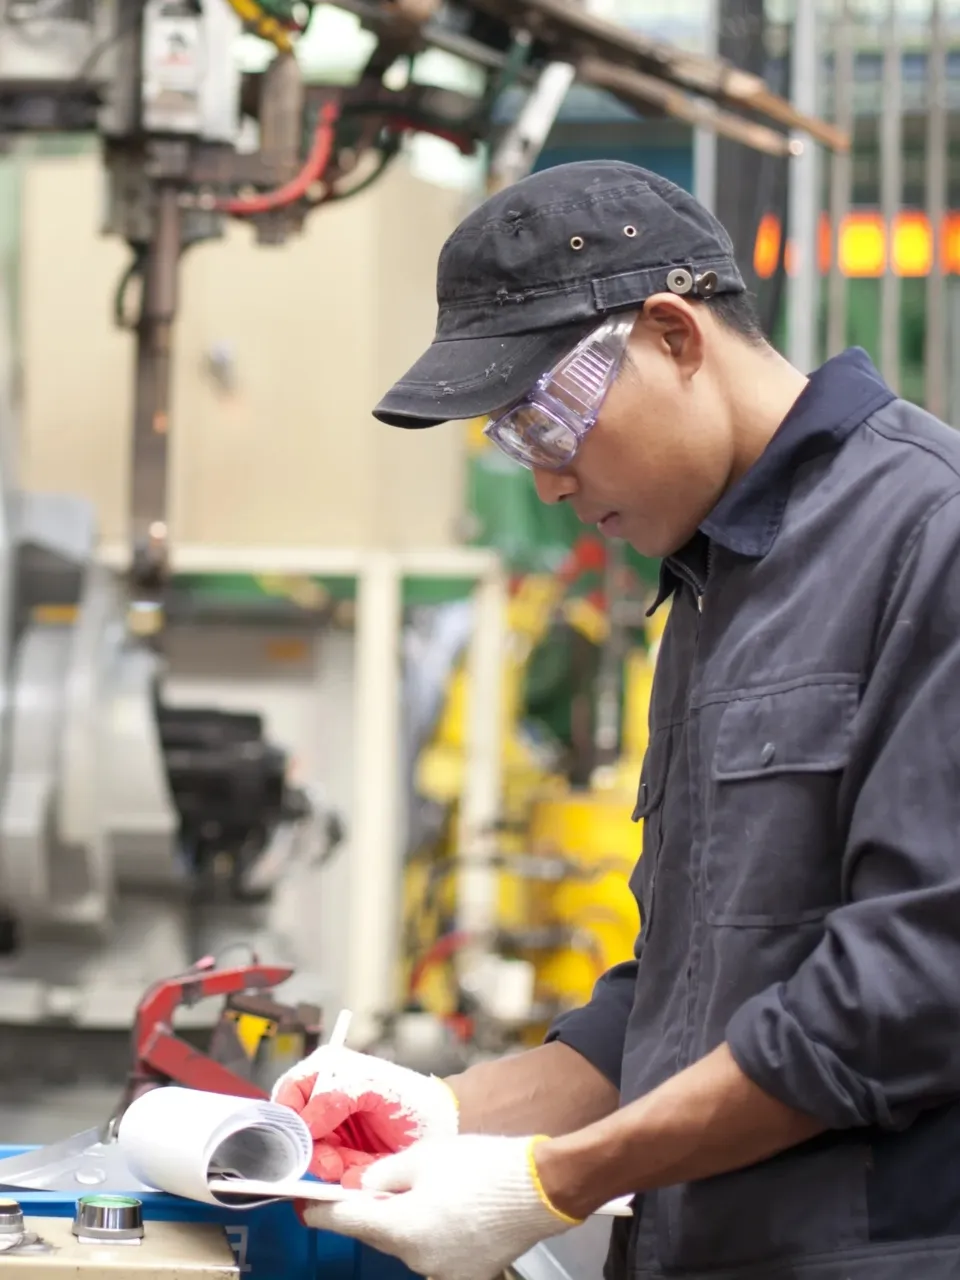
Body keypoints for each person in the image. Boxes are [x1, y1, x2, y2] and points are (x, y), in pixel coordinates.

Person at [273, 158, 960, 1280]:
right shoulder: (713, 581)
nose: (545, 480)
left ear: (676, 336)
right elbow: (681, 995)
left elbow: (904, 996)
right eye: (512, 440)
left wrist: (555, 1178)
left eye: (546, 418)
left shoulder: (930, 537)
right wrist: (444, 1113)